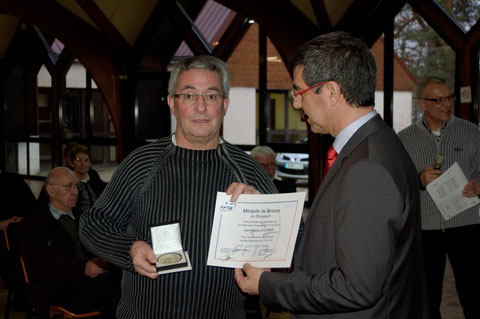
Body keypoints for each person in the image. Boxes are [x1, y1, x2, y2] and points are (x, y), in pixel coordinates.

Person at [234, 31, 429, 319]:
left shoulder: (367, 167)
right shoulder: (373, 144)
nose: (297, 104)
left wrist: (268, 284)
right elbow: (334, 232)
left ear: (332, 92)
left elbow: (357, 287)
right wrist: (266, 211)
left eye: (298, 92)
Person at [79, 55, 277, 318]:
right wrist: (129, 249)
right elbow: (93, 223)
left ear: (225, 104)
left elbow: (292, 238)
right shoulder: (142, 163)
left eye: (211, 96)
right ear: (172, 103)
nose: (201, 107)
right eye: (189, 96)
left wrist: (263, 210)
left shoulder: (248, 169)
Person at [397, 76, 480, 319]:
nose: (446, 104)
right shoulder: (404, 139)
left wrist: (479, 184)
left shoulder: (471, 132)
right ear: (422, 104)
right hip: (426, 228)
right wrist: (418, 180)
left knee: (474, 294)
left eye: (449, 98)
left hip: (466, 225)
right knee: (427, 297)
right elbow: (396, 184)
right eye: (439, 99)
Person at [19, 167, 121, 318]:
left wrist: (99, 260)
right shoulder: (33, 223)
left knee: (127, 284)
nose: (75, 191)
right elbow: (41, 263)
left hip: (89, 282)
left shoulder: (83, 218)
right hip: (56, 286)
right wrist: (83, 267)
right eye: (69, 187)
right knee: (116, 293)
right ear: (51, 191)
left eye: (76, 186)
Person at [70, 144, 107, 213]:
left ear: (90, 163)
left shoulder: (92, 175)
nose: (83, 163)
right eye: (78, 160)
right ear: (72, 163)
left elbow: (103, 188)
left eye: (86, 160)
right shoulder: (68, 180)